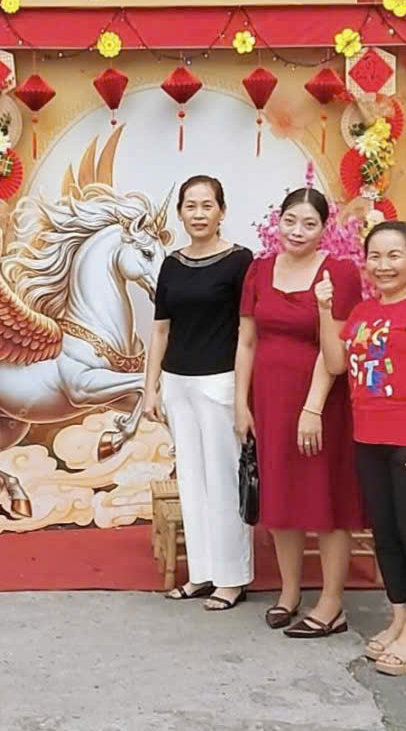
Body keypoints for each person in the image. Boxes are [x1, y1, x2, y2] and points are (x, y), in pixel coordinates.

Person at [316, 221, 406, 677]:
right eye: (375, 256)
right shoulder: (362, 312)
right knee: (385, 533)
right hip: (368, 438)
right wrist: (324, 310)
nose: (383, 265)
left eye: (394, 255)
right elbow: (335, 364)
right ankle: (398, 617)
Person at [235, 188, 365, 638]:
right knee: (281, 497)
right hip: (269, 400)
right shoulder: (259, 270)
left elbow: (337, 350)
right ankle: (289, 593)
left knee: (327, 497)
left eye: (309, 224)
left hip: (322, 402)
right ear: (278, 221)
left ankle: (331, 603)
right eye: (290, 221)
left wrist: (313, 407)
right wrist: (241, 403)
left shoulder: (340, 274)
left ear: (324, 228)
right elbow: (246, 341)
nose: (297, 231)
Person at [144, 176, 254, 611]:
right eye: (190, 206)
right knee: (191, 480)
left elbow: (248, 332)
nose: (199, 214)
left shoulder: (240, 261)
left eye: (207, 205)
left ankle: (232, 578)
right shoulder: (171, 264)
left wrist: (243, 394)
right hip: (178, 384)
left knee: (224, 480)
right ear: (180, 213)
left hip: (220, 381)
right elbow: (160, 330)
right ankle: (202, 573)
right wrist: (150, 388)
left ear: (222, 211)